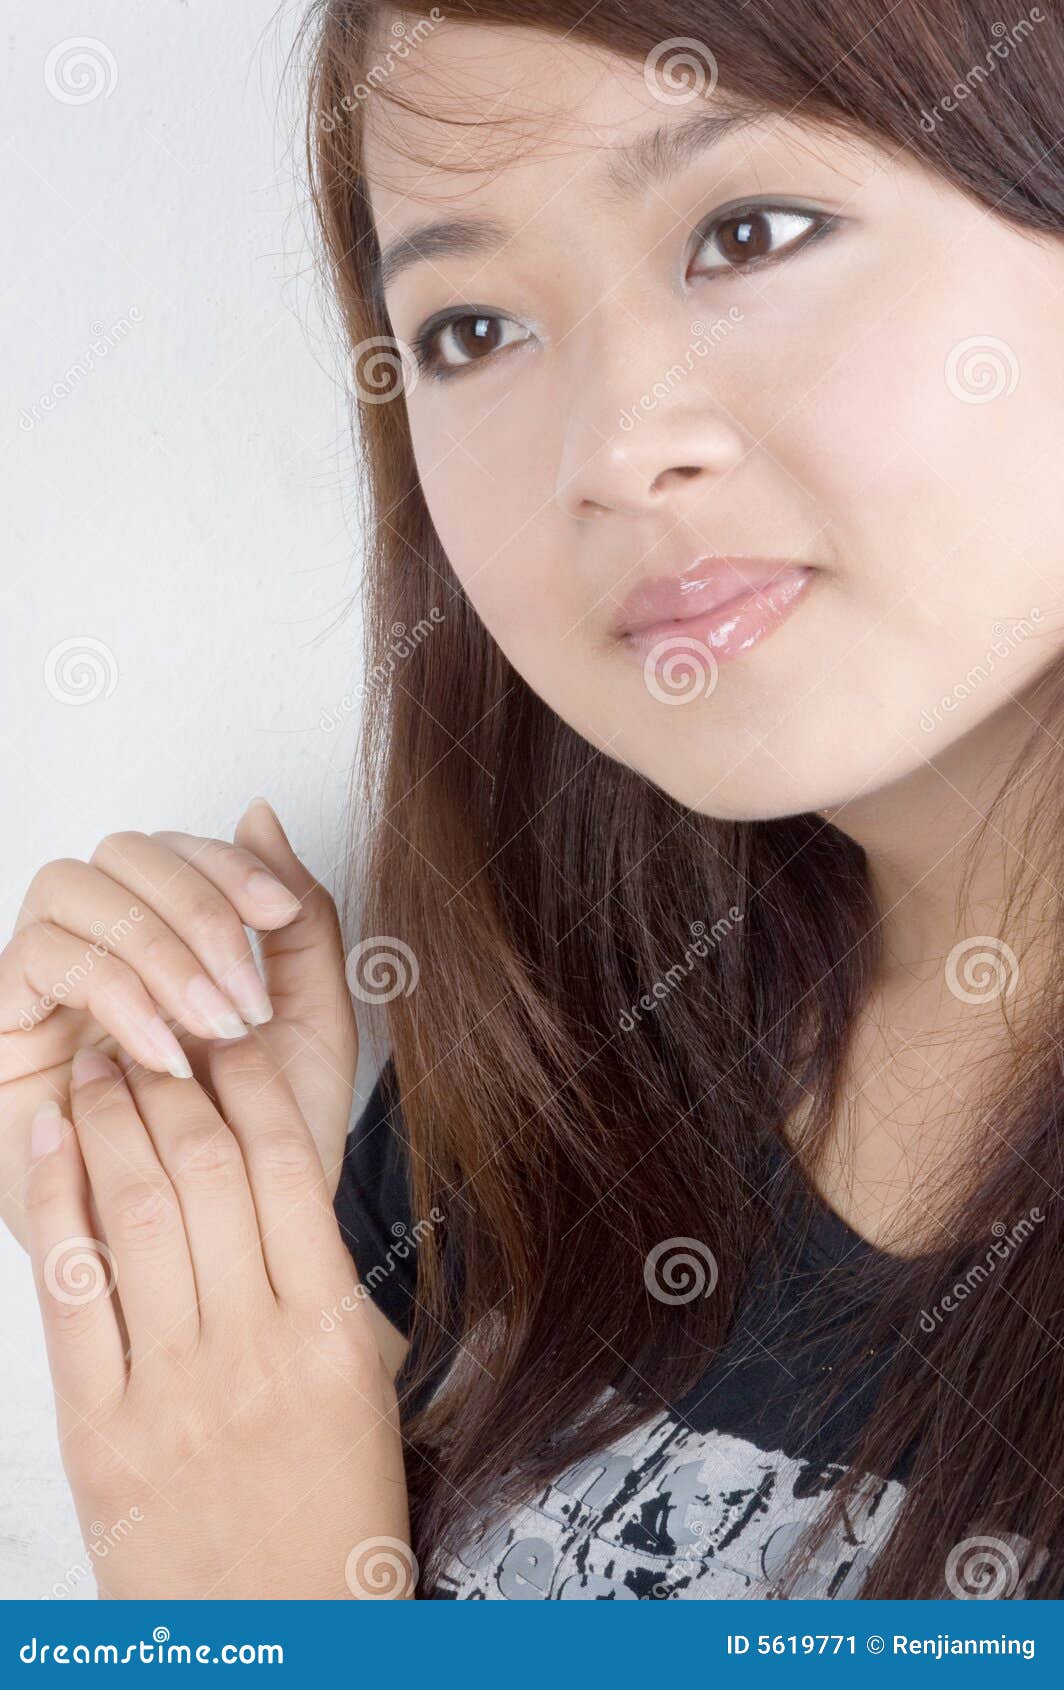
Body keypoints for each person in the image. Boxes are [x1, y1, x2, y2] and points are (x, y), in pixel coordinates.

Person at [3, 0, 1064, 1598]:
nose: (615, 447)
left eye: (749, 234)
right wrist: (224, 1244)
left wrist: (277, 1611)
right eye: (473, 328)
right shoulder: (557, 1051)